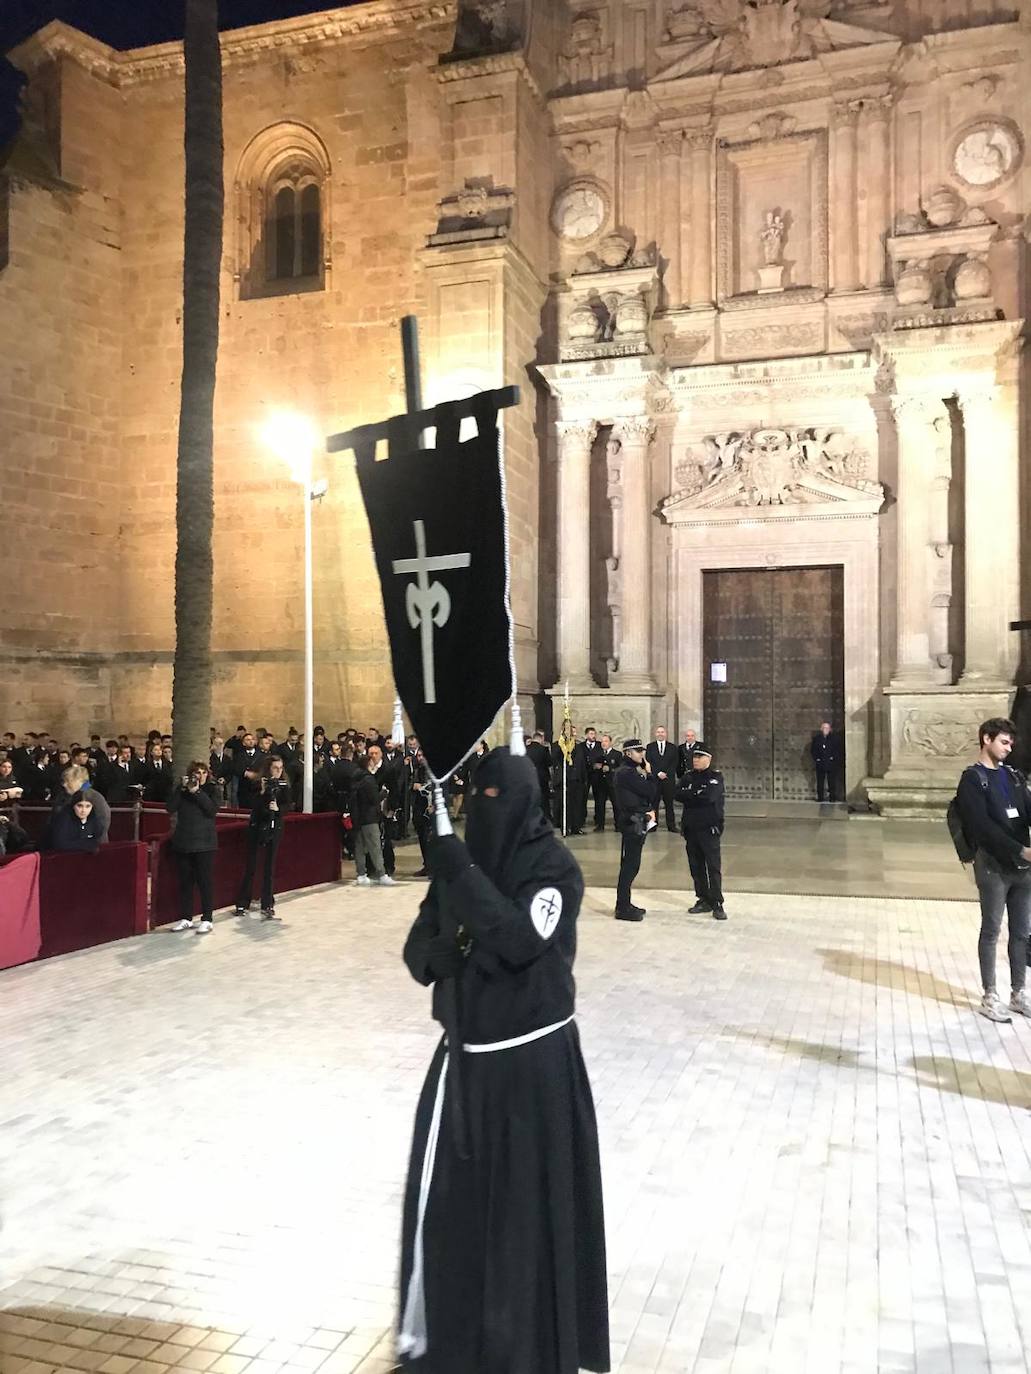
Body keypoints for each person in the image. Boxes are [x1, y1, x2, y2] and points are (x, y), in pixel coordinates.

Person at [398, 748, 609, 1374]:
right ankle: (459, 1340)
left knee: (525, 1218)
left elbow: (520, 940)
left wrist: (459, 876)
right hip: (464, 1064)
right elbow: (418, 951)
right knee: (455, 1216)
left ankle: (528, 1345)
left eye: (499, 798)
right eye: (477, 798)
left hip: (532, 1071)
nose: (486, 810)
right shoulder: (461, 866)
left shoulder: (554, 870)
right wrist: (445, 954)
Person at [956, 717, 1031, 1023]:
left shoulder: (1013, 777)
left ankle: (1018, 993)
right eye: (1003, 742)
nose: (1008, 748)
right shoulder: (972, 780)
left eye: (1011, 743)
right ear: (986, 739)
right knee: (991, 930)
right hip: (994, 867)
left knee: (1021, 933)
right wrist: (1020, 849)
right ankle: (990, 995)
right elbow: (981, 827)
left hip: (1023, 868)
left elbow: (1027, 809)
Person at [235, 754, 293, 919]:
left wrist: (278, 809)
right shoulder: (258, 783)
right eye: (275, 768)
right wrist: (262, 792)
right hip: (257, 827)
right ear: (268, 768)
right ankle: (242, 902)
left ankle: (267, 903)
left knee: (269, 868)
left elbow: (288, 804)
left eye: (281, 768)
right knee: (251, 866)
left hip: (274, 828)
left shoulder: (284, 785)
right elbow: (252, 804)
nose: (278, 771)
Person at [676, 743, 726, 920]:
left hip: (709, 828)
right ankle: (703, 898)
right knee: (696, 867)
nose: (696, 760)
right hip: (691, 828)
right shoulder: (688, 777)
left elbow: (710, 797)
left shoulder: (715, 777)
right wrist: (695, 793)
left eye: (700, 757)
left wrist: (691, 794)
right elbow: (677, 794)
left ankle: (717, 902)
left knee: (713, 867)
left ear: (709, 759)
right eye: (694, 757)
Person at [168, 761, 220, 933]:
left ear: (207, 774)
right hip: (184, 842)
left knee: (205, 882)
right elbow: (171, 807)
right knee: (185, 883)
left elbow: (211, 810)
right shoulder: (182, 790)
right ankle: (186, 917)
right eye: (196, 772)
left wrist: (197, 792)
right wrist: (182, 789)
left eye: (203, 772)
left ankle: (207, 918)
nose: (200, 775)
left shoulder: (212, 789)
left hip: (205, 843)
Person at [612, 739, 656, 921]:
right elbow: (650, 791)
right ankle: (622, 907)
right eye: (638, 752)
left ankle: (625, 903)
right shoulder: (626, 773)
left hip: (637, 820)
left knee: (631, 864)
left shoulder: (629, 771)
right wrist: (650, 773)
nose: (642, 754)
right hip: (632, 822)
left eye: (642, 751)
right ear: (628, 753)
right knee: (630, 866)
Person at [351, 752, 397, 887]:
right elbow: (374, 799)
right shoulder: (368, 779)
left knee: (359, 847)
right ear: (367, 764)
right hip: (370, 818)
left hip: (357, 818)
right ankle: (382, 874)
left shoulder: (355, 778)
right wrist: (383, 793)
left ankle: (361, 875)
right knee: (375, 847)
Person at [53, 764, 111, 842]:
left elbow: (102, 825)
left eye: (68, 781)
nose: (64, 784)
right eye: (64, 781)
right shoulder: (62, 796)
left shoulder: (95, 798)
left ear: (79, 781)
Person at [646, 726, 678, 832]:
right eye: (658, 732)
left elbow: (674, 763)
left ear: (666, 733)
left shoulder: (673, 747)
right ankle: (653, 825)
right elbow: (648, 762)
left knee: (669, 804)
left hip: (668, 780)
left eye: (662, 732)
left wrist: (666, 773)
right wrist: (658, 773)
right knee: (654, 803)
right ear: (655, 734)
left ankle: (671, 825)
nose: (660, 734)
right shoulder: (650, 747)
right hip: (654, 780)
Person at [581, 727, 608, 832]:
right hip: (586, 775)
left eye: (594, 733)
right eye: (591, 734)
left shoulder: (599, 745)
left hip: (597, 776)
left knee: (599, 798)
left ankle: (598, 820)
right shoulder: (581, 746)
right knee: (583, 798)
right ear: (587, 735)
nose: (593, 735)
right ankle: (582, 818)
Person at [810, 721, 840, 802]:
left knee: (831, 782)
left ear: (830, 729)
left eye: (827, 728)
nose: (825, 729)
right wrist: (817, 759)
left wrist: (834, 759)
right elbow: (813, 750)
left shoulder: (834, 739)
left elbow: (837, 750)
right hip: (820, 763)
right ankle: (820, 798)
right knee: (820, 782)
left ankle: (832, 798)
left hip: (831, 764)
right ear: (821, 729)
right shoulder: (817, 739)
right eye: (824, 728)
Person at [600, 732, 622, 830]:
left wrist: (610, 769)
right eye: (602, 741)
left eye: (606, 741)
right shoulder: (599, 754)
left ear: (610, 742)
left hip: (613, 783)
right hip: (601, 783)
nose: (603, 743)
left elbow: (620, 768)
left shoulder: (617, 754)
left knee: (616, 804)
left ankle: (618, 825)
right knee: (600, 805)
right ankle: (600, 825)